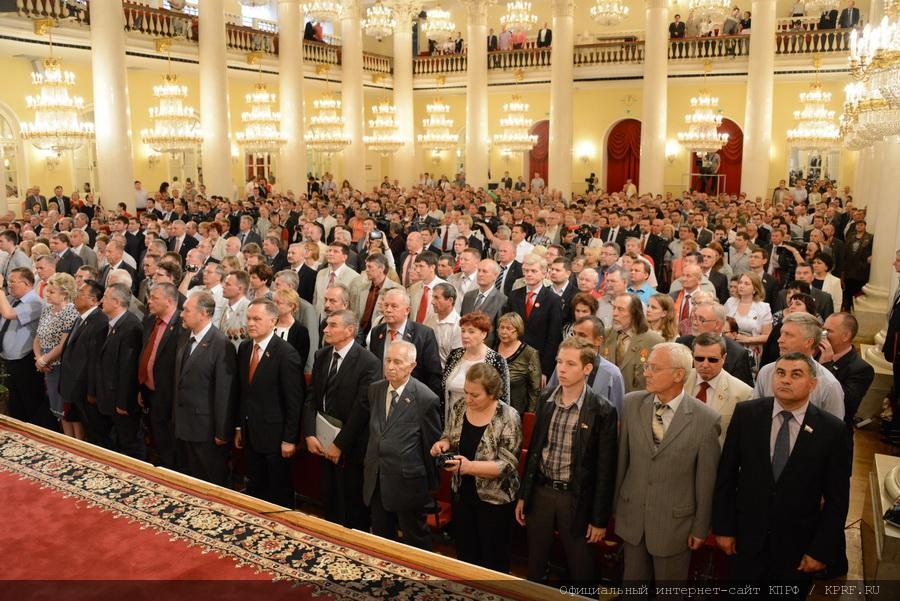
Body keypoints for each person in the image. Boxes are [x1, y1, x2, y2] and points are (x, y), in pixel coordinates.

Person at [713, 353, 851, 598]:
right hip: (746, 542)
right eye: (780, 373)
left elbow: (837, 500)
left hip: (795, 549)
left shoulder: (832, 431)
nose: (785, 380)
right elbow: (727, 475)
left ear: (813, 384)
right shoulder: (747, 414)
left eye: (796, 374)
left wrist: (820, 550)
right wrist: (723, 528)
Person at [615, 342, 721, 586]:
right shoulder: (631, 404)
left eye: (654, 368)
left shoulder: (705, 420)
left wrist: (700, 527)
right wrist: (616, 507)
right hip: (633, 518)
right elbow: (622, 461)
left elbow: (706, 481)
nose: (646, 373)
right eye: (646, 366)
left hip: (675, 527)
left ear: (678, 374)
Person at [516, 338, 618, 582]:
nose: (561, 369)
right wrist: (524, 495)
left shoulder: (602, 410)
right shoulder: (546, 398)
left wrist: (599, 519)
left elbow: (605, 469)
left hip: (576, 498)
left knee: (581, 567)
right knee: (535, 565)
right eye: (559, 362)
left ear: (587, 369)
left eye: (570, 364)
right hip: (541, 491)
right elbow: (535, 450)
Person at [430, 363, 522, 572]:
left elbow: (507, 464)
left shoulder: (508, 416)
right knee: (466, 554)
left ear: (492, 394)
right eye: (466, 392)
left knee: (493, 558)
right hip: (463, 493)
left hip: (495, 500)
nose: (468, 399)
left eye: (475, 395)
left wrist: (469, 467)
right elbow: (450, 436)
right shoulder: (461, 406)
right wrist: (443, 444)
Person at [303, 310, 381, 531]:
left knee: (353, 507)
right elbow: (311, 398)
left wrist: (339, 445)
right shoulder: (322, 355)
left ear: (350, 330)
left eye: (332, 325)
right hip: (323, 441)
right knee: (330, 500)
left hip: (352, 447)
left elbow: (362, 409)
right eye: (326, 325)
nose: (325, 329)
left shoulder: (369, 362)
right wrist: (309, 433)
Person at [363, 341, 442, 551]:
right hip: (378, 478)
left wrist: (430, 486)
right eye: (388, 360)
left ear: (412, 366)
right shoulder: (375, 390)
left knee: (415, 540)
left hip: (409, 484)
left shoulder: (426, 398)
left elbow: (431, 445)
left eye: (398, 362)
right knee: (381, 539)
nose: (390, 366)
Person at [234, 299, 305, 508]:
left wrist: (290, 439)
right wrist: (239, 426)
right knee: (256, 487)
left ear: (273, 321)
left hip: (276, 438)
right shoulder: (245, 348)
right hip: (250, 432)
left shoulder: (286, 353)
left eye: (257, 319)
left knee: (278, 492)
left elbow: (294, 401)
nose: (251, 323)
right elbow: (243, 392)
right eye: (248, 318)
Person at [173, 292, 237, 486]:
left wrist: (222, 431)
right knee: (190, 479)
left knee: (211, 479)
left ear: (203, 314)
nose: (182, 314)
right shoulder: (185, 336)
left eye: (187, 310)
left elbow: (224, 392)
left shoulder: (221, 344)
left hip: (206, 430)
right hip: (184, 424)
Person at [753, 312, 846, 420]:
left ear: (808, 342)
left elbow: (834, 430)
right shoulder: (766, 372)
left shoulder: (828, 385)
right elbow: (755, 414)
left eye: (788, 335)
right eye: (781, 334)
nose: (780, 340)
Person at [93, 283, 145, 459]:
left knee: (130, 443)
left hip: (121, 402)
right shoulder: (114, 324)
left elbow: (128, 370)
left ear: (116, 302)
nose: (101, 301)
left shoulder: (131, 327)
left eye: (105, 298)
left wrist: (123, 402)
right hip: (109, 397)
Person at [367, 288, 443, 397]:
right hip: (383, 396)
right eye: (386, 305)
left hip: (414, 399)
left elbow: (433, 376)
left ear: (407, 310)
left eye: (394, 306)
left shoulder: (424, 334)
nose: (388, 310)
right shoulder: (377, 331)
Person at [138, 282, 182, 468]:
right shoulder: (150, 320)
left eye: (155, 298)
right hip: (150, 391)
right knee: (158, 437)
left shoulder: (182, 325)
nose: (149, 301)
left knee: (170, 442)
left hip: (170, 396)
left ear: (169, 301)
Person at [59, 280, 108, 442]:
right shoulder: (82, 318)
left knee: (94, 431)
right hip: (74, 386)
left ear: (93, 300)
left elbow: (94, 360)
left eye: (81, 294)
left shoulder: (100, 321)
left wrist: (91, 391)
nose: (76, 296)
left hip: (85, 388)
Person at [550, 315, 626, 417]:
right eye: (574, 334)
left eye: (582, 335)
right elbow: (549, 400)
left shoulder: (612, 374)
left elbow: (617, 417)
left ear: (598, 340)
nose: (575, 339)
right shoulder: (562, 364)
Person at [441, 311, 510, 422]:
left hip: (482, 422)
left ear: (484, 334)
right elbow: (443, 391)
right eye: (463, 331)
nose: (465, 335)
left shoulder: (496, 360)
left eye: (471, 332)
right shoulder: (454, 355)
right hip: (451, 420)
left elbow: (503, 399)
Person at [687, 333, 753, 445]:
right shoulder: (679, 381)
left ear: (724, 358)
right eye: (699, 358)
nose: (705, 364)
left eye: (712, 360)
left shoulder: (743, 393)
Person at [504, 254, 563, 380]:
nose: (529, 274)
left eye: (533, 271)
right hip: (513, 358)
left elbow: (554, 338)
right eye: (526, 271)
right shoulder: (514, 296)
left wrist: (545, 370)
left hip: (537, 362)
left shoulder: (553, 300)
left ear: (543, 274)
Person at [33, 273, 79, 433]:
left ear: (65, 293)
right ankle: (67, 440)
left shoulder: (71, 312)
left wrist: (44, 360)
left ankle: (77, 444)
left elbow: (62, 345)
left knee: (67, 409)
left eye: (52, 292)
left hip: (61, 366)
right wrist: (39, 358)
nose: (47, 294)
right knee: (58, 409)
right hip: (46, 364)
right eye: (48, 290)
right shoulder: (47, 310)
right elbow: (37, 338)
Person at [819, 312, 874, 437]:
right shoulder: (817, 353)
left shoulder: (861, 369)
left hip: (834, 432)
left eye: (829, 331)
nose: (823, 335)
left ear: (845, 336)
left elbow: (846, 403)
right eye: (823, 330)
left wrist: (826, 366)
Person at [601, 293, 665, 392]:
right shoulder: (605, 335)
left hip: (637, 402)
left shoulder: (654, 341)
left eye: (621, 310)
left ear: (634, 314)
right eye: (614, 308)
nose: (615, 313)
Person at [724, 272, 773, 364]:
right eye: (740, 283)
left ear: (755, 289)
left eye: (746, 284)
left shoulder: (763, 307)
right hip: (730, 347)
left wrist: (747, 339)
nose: (741, 286)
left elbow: (768, 336)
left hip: (752, 351)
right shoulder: (730, 302)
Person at [460, 259, 508, 347]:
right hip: (465, 347)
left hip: (486, 350)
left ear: (495, 276)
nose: (480, 274)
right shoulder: (468, 296)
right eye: (479, 270)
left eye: (485, 271)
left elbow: (499, 332)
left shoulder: (502, 300)